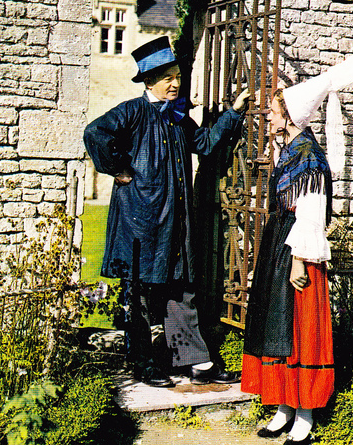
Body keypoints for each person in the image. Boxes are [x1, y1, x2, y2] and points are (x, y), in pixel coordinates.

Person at [84, 36, 250, 387]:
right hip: (140, 223)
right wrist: (118, 169)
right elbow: (95, 133)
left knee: (181, 288)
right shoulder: (131, 112)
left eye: (177, 76)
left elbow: (204, 143)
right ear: (149, 82)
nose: (175, 83)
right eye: (167, 78)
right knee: (140, 294)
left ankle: (197, 362)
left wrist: (233, 113)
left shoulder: (177, 117)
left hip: (175, 221)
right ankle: (143, 364)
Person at [241, 50, 353, 445]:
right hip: (280, 245)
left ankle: (305, 416)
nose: (270, 117)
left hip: (299, 252)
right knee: (276, 326)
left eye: (275, 112)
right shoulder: (289, 151)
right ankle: (282, 408)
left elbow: (311, 213)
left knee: (299, 331)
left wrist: (297, 260)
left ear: (291, 117)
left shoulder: (309, 159)